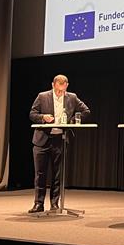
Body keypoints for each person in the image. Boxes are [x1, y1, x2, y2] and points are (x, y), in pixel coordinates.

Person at [28, 74, 90, 213]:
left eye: (63, 90)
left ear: (66, 86)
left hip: (59, 140)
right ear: (53, 85)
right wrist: (43, 117)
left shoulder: (72, 97)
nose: (60, 92)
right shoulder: (42, 96)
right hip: (42, 140)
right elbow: (32, 114)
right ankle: (38, 204)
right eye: (58, 90)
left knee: (57, 174)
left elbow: (86, 111)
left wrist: (72, 121)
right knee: (40, 174)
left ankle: (54, 204)